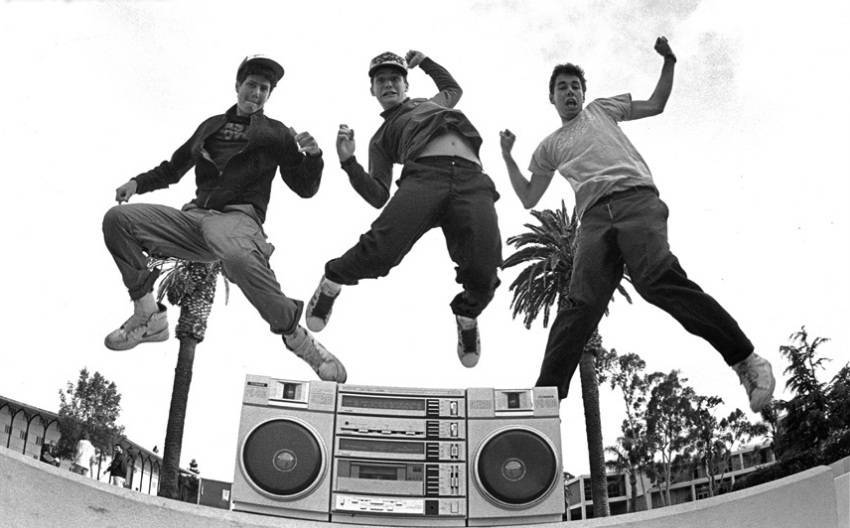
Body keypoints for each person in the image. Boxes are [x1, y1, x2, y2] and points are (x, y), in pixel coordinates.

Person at [499, 36, 775, 412]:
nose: (570, 92)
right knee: (580, 304)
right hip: (594, 219)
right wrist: (507, 156)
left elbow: (656, 104)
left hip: (636, 201)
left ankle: (746, 360)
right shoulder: (549, 147)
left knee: (655, 279)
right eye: (562, 87)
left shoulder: (601, 110)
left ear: (584, 93)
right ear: (552, 97)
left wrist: (669, 61)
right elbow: (529, 196)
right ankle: (546, 400)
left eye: (575, 86)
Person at [101, 54, 346, 383]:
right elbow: (173, 168)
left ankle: (297, 338)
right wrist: (137, 183)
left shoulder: (276, 133)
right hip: (194, 218)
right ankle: (148, 314)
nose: (256, 93)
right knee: (118, 219)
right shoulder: (210, 126)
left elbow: (305, 188)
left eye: (264, 89)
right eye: (251, 85)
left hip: (237, 218)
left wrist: (313, 157)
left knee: (236, 257)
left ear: (269, 94)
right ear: (237, 86)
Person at [305, 50, 502, 368]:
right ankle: (331, 281)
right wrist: (348, 162)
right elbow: (377, 195)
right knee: (381, 253)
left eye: (395, 79)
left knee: (484, 268)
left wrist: (425, 61)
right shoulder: (380, 138)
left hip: (472, 180)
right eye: (380, 81)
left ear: (406, 85)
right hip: (424, 178)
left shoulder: (432, 103)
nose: (388, 85)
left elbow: (453, 88)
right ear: (372, 90)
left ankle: (467, 316)